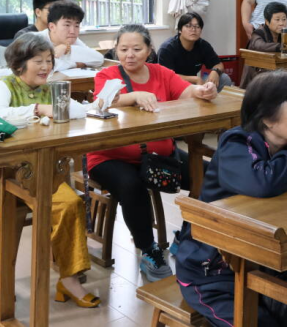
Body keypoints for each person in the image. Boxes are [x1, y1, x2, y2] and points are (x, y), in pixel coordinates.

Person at [175, 71, 287, 326]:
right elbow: (263, 182)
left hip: (265, 261)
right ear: (267, 117)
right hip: (212, 272)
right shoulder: (236, 143)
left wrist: (283, 169)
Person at [0, 34, 98, 323]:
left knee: (70, 205)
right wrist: (38, 109)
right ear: (19, 64)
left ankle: (69, 280)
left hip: (40, 175)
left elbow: (80, 111)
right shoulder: (2, 86)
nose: (45, 67)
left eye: (49, 61)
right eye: (38, 61)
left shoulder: (52, 88)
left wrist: (59, 107)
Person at [88, 24, 218, 281]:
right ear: (116, 50)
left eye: (137, 49)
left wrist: (203, 91)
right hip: (110, 157)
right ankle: (149, 250)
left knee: (211, 176)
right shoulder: (107, 74)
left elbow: (187, 92)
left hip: (157, 156)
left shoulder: (161, 73)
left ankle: (187, 236)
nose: (130, 55)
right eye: (123, 49)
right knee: (131, 186)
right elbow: (101, 102)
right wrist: (134, 96)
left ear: (149, 50)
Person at [240, 1, 287, 89]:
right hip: (256, 82)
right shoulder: (258, 33)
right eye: (277, 20)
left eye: (284, 19)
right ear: (267, 21)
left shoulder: (286, 33)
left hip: (277, 78)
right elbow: (262, 46)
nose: (281, 23)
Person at [157, 12, 232, 90]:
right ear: (180, 30)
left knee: (224, 78)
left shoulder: (203, 45)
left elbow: (218, 64)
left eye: (197, 26)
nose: (193, 29)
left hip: (192, 84)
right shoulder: (167, 48)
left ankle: (209, 97)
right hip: (172, 86)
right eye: (188, 26)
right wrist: (195, 79)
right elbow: (166, 76)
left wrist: (215, 71)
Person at [38, 0, 103, 72]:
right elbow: (45, 66)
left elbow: (99, 59)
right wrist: (75, 65)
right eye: (67, 25)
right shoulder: (37, 39)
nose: (72, 31)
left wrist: (67, 48)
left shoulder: (72, 40)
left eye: (76, 26)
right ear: (52, 27)